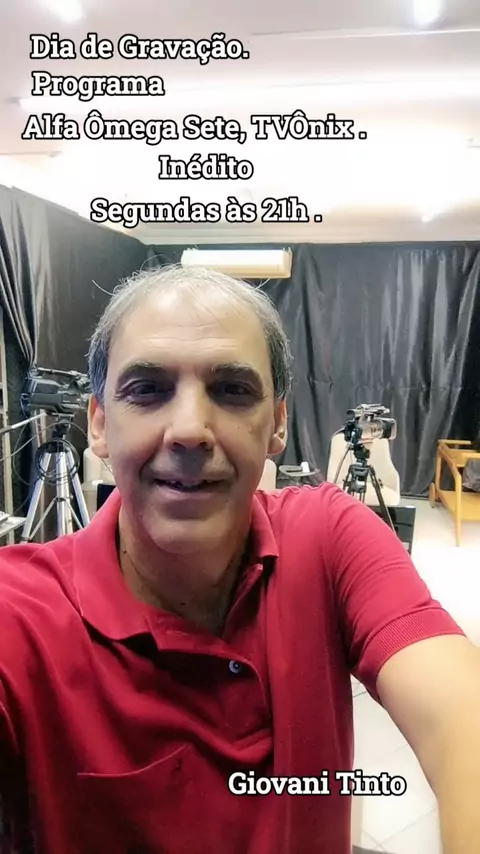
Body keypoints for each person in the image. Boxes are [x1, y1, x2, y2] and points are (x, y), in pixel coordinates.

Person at [0, 264, 479, 854]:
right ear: (99, 423)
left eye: (232, 390)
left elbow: (462, 717)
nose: (190, 430)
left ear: (277, 424)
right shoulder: (18, 614)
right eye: (147, 389)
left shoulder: (329, 536)